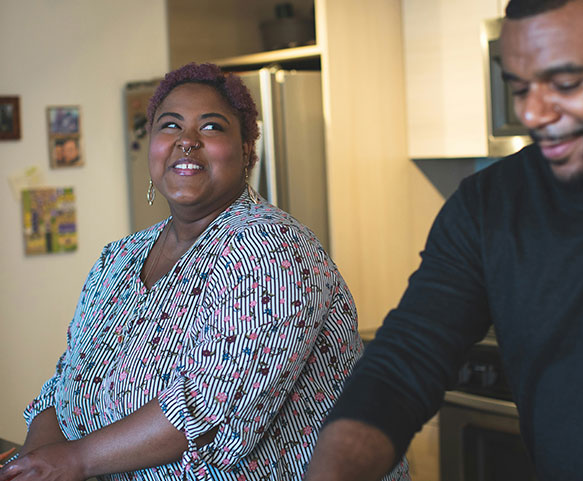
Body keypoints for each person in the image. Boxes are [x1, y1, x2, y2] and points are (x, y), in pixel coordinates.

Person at [304, 0, 583, 480]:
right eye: (520, 88)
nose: (533, 113)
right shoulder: (489, 204)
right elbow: (403, 367)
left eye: (566, 83)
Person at [0, 63, 409, 481]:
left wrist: (75, 460)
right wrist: (32, 461)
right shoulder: (119, 258)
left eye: (211, 127)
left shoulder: (272, 248)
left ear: (247, 150)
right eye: (170, 125)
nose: (187, 141)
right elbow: (67, 381)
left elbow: (210, 407)